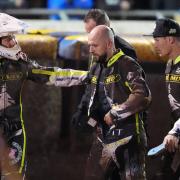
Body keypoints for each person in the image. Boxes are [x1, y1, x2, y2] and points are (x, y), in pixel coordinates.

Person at [49, 25, 151, 180]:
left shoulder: (126, 64)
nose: (90, 50)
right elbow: (92, 97)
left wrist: (116, 112)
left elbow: (143, 95)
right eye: (89, 45)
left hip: (128, 138)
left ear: (109, 44)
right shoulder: (96, 67)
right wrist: (83, 113)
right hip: (102, 139)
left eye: (94, 45)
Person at [0, 13, 55, 179]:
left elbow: (49, 74)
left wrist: (89, 77)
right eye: (7, 38)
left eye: (13, 37)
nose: (13, 42)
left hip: (13, 131)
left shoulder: (21, 63)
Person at [149, 18, 180, 179]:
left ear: (170, 39)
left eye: (157, 39)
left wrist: (175, 131)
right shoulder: (169, 64)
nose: (154, 44)